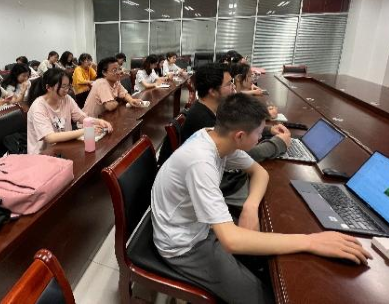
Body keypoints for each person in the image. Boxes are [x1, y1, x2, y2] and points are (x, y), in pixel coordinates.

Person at [151, 93, 372, 303]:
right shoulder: (201, 162)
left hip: (199, 226)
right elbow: (231, 241)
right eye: (258, 133)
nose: (260, 137)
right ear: (240, 136)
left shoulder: (215, 136)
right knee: (264, 297)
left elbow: (259, 172)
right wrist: (311, 241)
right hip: (184, 246)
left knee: (266, 259)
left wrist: (250, 206)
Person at [181, 63, 290, 208]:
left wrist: (267, 130)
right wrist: (278, 144)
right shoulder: (202, 120)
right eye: (228, 84)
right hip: (223, 185)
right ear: (212, 91)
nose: (233, 87)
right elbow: (244, 153)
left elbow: (236, 127)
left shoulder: (213, 108)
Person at [26, 68, 112, 154]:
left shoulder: (66, 99)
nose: (66, 90)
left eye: (68, 86)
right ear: (48, 87)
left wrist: (98, 121)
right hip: (42, 154)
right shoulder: (38, 106)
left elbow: (81, 117)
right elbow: (50, 137)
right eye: (63, 87)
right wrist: (86, 131)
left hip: (63, 148)